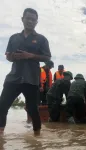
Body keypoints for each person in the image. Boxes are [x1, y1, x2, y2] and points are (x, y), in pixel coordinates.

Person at [0, 8, 51, 136]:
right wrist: (12, 56)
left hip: (31, 79)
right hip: (14, 77)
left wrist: (30, 56)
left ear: (36, 22)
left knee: (33, 109)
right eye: (28, 18)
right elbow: (8, 56)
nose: (30, 21)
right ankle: (1, 137)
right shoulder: (13, 38)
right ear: (22, 19)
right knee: (2, 106)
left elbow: (47, 57)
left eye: (33, 19)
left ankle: (37, 138)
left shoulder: (41, 39)